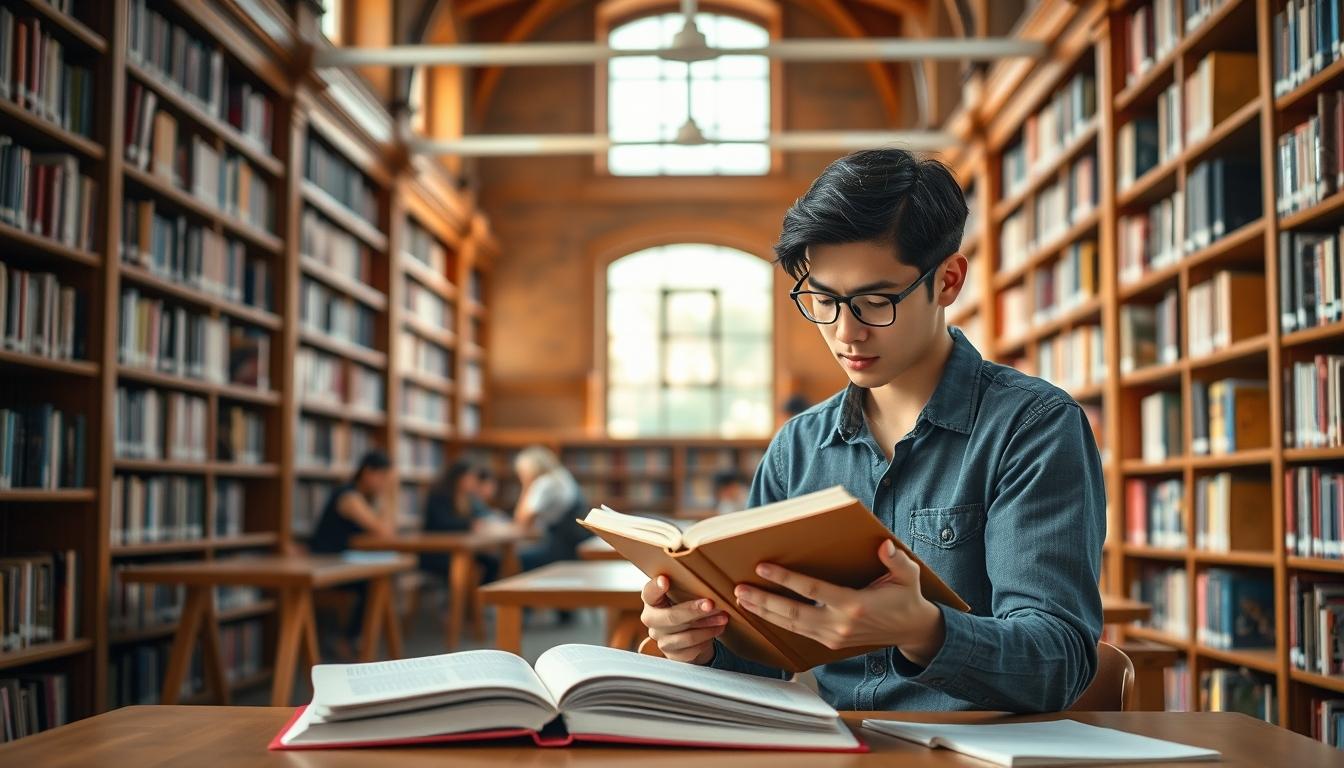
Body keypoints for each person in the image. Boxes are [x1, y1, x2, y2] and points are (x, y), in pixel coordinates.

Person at [638, 147, 1105, 714]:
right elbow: (767, 657)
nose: (846, 333)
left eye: (874, 301)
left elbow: (1060, 661)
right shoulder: (798, 448)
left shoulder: (1033, 428)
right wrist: (701, 643)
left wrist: (928, 631)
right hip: (839, 748)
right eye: (824, 300)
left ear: (949, 280)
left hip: (977, 753)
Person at [308, 449, 395, 659]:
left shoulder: (363, 498)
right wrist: (387, 498)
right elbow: (383, 531)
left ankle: (355, 638)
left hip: (340, 561)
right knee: (371, 584)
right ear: (367, 472)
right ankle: (347, 639)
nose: (384, 483)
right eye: (382, 477)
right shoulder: (349, 497)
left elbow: (386, 532)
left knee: (377, 581)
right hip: (324, 563)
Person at [420, 459, 501, 584]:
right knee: (466, 566)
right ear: (459, 478)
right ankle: (466, 602)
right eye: (470, 478)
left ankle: (481, 599)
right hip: (437, 551)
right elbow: (442, 523)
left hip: (459, 549)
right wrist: (469, 524)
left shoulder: (466, 498)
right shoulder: (439, 495)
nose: (473, 482)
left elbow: (479, 515)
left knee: (493, 561)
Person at [512, 445, 587, 571]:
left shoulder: (544, 484)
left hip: (559, 551)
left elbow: (522, 521)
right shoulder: (562, 475)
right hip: (572, 547)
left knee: (514, 559)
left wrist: (526, 486)